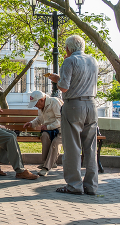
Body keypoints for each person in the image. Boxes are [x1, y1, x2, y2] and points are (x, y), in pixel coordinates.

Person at [49, 35, 98, 195]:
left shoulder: (69, 61)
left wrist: (57, 79)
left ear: (68, 48)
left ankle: (74, 185)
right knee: (90, 147)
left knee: (72, 147)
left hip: (74, 105)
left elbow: (63, 87)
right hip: (92, 105)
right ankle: (91, 186)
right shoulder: (93, 60)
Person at [23, 90, 63, 176]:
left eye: (36, 103)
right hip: (49, 131)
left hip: (62, 130)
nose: (36, 106)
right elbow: (39, 119)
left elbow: (61, 120)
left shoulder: (54, 102)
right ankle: (47, 162)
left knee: (55, 143)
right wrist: (32, 123)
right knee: (44, 136)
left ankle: (46, 168)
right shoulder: (41, 107)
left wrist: (48, 127)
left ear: (41, 99)